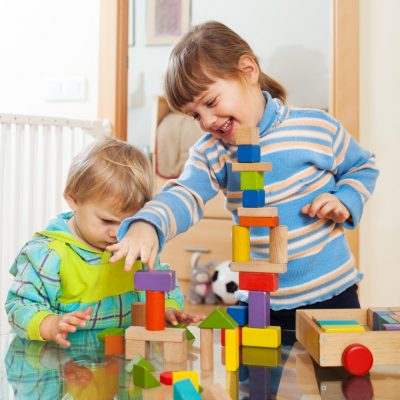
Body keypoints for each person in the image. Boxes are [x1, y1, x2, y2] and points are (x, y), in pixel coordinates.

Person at [108, 21, 379, 330]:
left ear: (248, 70)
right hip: (259, 299)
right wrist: (147, 223)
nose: (207, 120)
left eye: (211, 102)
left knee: (338, 375)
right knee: (252, 375)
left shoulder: (315, 127)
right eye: (195, 115)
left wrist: (344, 199)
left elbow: (362, 166)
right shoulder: (212, 152)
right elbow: (185, 193)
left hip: (331, 295)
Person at [5, 136, 202, 346]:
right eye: (106, 220)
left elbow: (163, 285)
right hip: (62, 367)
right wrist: (51, 324)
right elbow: (19, 305)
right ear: (73, 198)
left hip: (123, 362)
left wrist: (166, 310)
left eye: (129, 222)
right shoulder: (49, 254)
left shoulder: (135, 244)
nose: (118, 233)